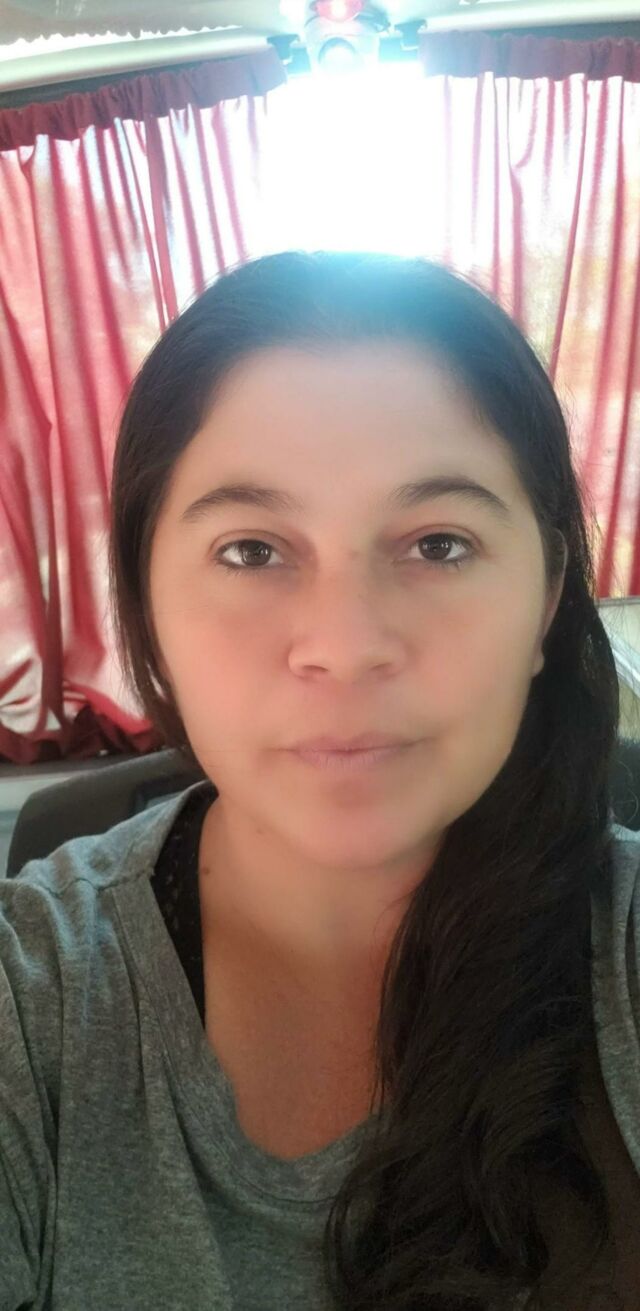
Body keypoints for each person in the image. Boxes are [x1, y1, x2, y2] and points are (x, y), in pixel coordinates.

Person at [1, 249, 639, 1311]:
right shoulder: (33, 1004)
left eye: (439, 544)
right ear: (146, 606)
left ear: (545, 597)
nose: (344, 647)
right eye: (252, 550)